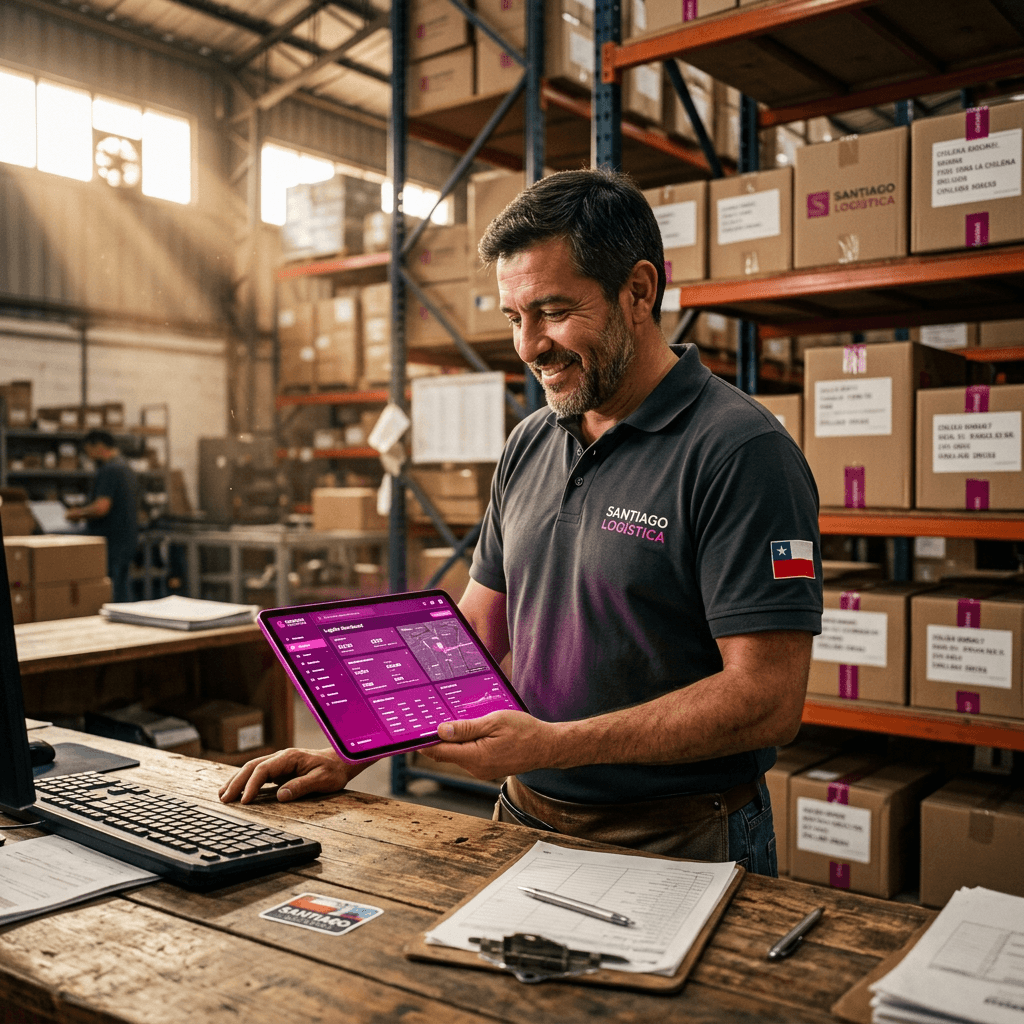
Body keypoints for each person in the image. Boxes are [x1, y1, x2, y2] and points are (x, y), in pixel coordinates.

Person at [220, 169, 822, 875]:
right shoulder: (532, 440)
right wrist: (354, 749)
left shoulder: (741, 452)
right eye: (515, 318)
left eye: (555, 311)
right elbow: (477, 630)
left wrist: (551, 745)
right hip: (523, 815)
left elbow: (766, 701)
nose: (530, 346)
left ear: (639, 291)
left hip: (679, 838)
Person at [66, 429, 139, 603]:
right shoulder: (126, 467)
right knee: (120, 590)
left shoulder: (110, 469)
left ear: (98, 446)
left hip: (110, 543)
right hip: (125, 541)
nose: (89, 456)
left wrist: (76, 513)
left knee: (109, 594)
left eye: (88, 451)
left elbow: (101, 508)